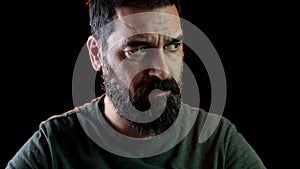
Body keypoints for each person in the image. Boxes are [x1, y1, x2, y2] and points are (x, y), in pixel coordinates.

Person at [6, 0, 266, 168]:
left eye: (173, 45)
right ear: (96, 54)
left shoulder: (218, 143)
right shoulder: (53, 149)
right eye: (138, 49)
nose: (161, 70)